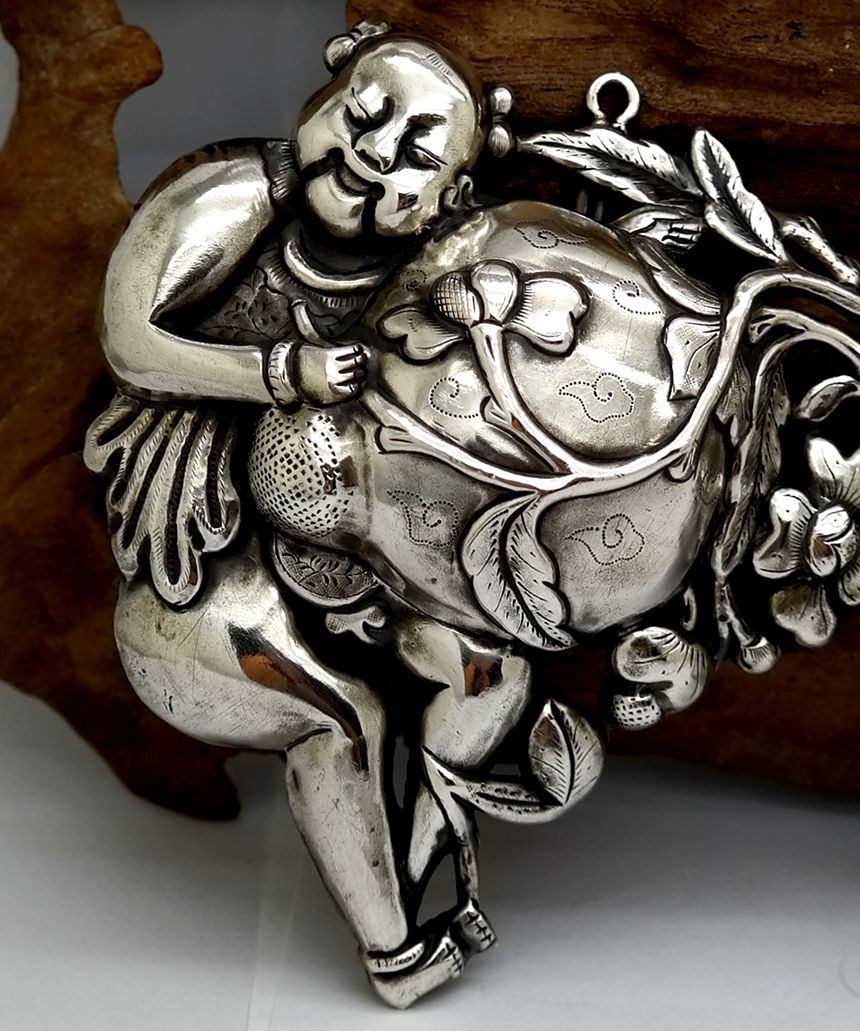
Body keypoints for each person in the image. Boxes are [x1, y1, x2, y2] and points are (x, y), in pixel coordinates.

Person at [86, 21, 513, 1007]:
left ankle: (411, 852)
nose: (374, 149)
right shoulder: (238, 196)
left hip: (356, 562)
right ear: (324, 92)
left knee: (489, 669)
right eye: (365, 110)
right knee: (341, 719)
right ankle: (396, 951)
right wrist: (280, 371)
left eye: (416, 153)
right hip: (196, 564)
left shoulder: (438, 277)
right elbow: (128, 337)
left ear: (451, 197)